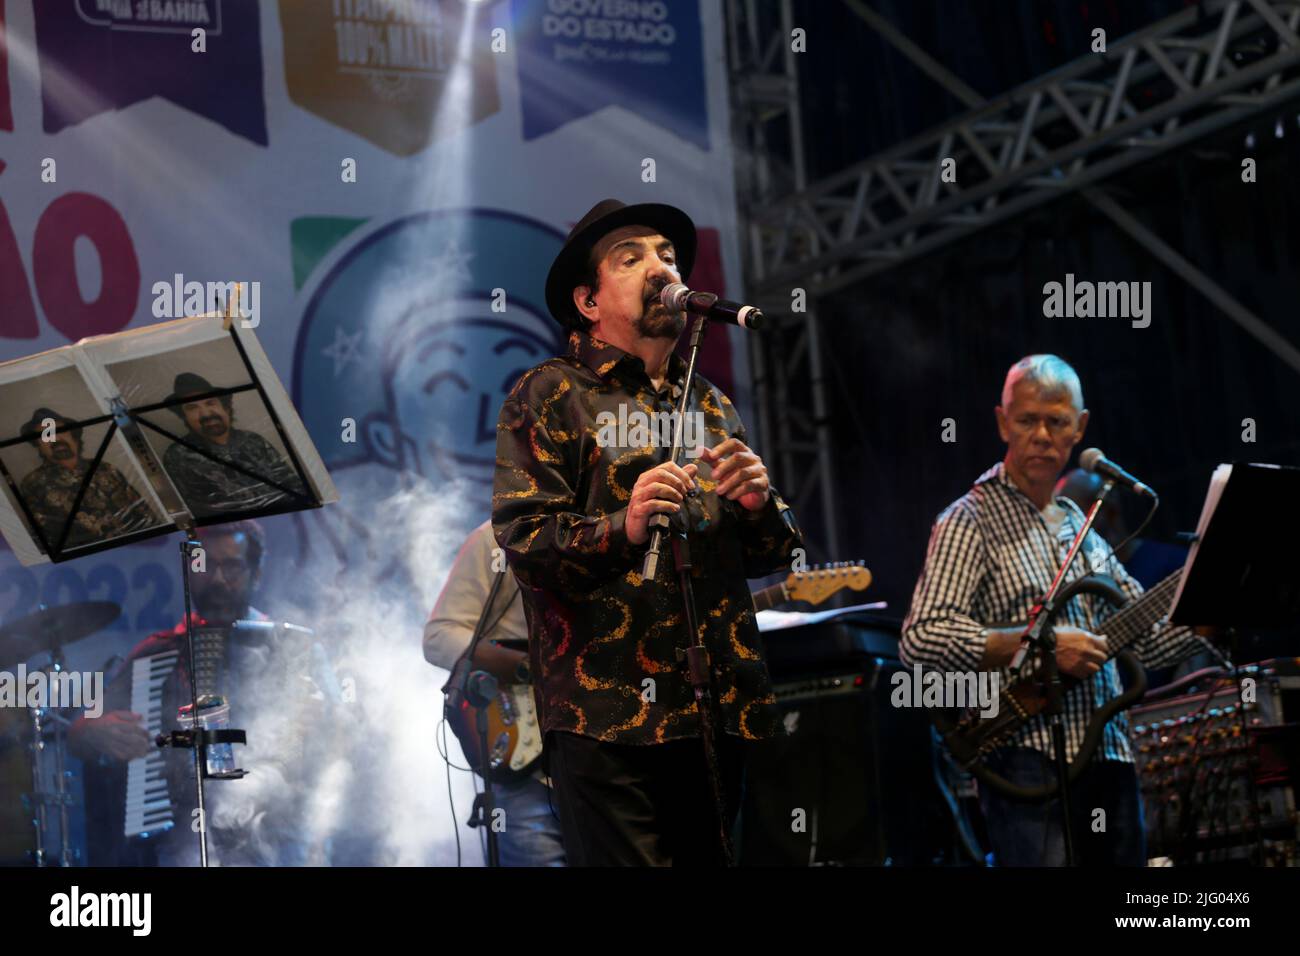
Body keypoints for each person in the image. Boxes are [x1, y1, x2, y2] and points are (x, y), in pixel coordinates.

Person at [492, 198, 803, 866]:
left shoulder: (709, 402)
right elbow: (525, 542)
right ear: (588, 302)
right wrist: (622, 526)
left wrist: (758, 505)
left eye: (667, 255)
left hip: (718, 709)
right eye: (629, 258)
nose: (660, 267)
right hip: (609, 718)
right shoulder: (550, 393)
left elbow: (775, 554)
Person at [901, 354, 1204, 866]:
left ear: (1079, 428)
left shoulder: (1081, 528)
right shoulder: (968, 520)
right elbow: (921, 639)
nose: (1042, 435)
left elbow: (1150, 640)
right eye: (1027, 420)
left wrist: (1211, 606)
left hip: (1109, 754)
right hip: (1024, 757)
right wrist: (1041, 645)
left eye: (1057, 422)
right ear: (1003, 423)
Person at [70, 521, 341, 866]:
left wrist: (325, 720)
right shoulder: (156, 654)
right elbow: (79, 730)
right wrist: (93, 729)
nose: (217, 579)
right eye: (204, 565)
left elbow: (348, 737)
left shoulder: (296, 650)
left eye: (232, 567)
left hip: (282, 840)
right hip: (186, 841)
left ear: (256, 574)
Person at [423, 520, 566, 866]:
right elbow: (439, 636)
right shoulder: (494, 537)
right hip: (529, 765)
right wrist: (528, 668)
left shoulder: (635, 531)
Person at [161, 373, 301, 515]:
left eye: (210, 403)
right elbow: (195, 512)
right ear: (184, 417)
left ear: (226, 408)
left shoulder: (254, 440)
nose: (205, 414)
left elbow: (293, 484)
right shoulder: (178, 456)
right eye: (192, 408)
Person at [17, 407, 152, 551]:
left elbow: (143, 512)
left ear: (74, 437)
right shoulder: (32, 483)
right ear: (38, 446)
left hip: (137, 547)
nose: (56, 439)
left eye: (61, 431)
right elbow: (44, 539)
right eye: (46, 435)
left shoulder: (106, 469)